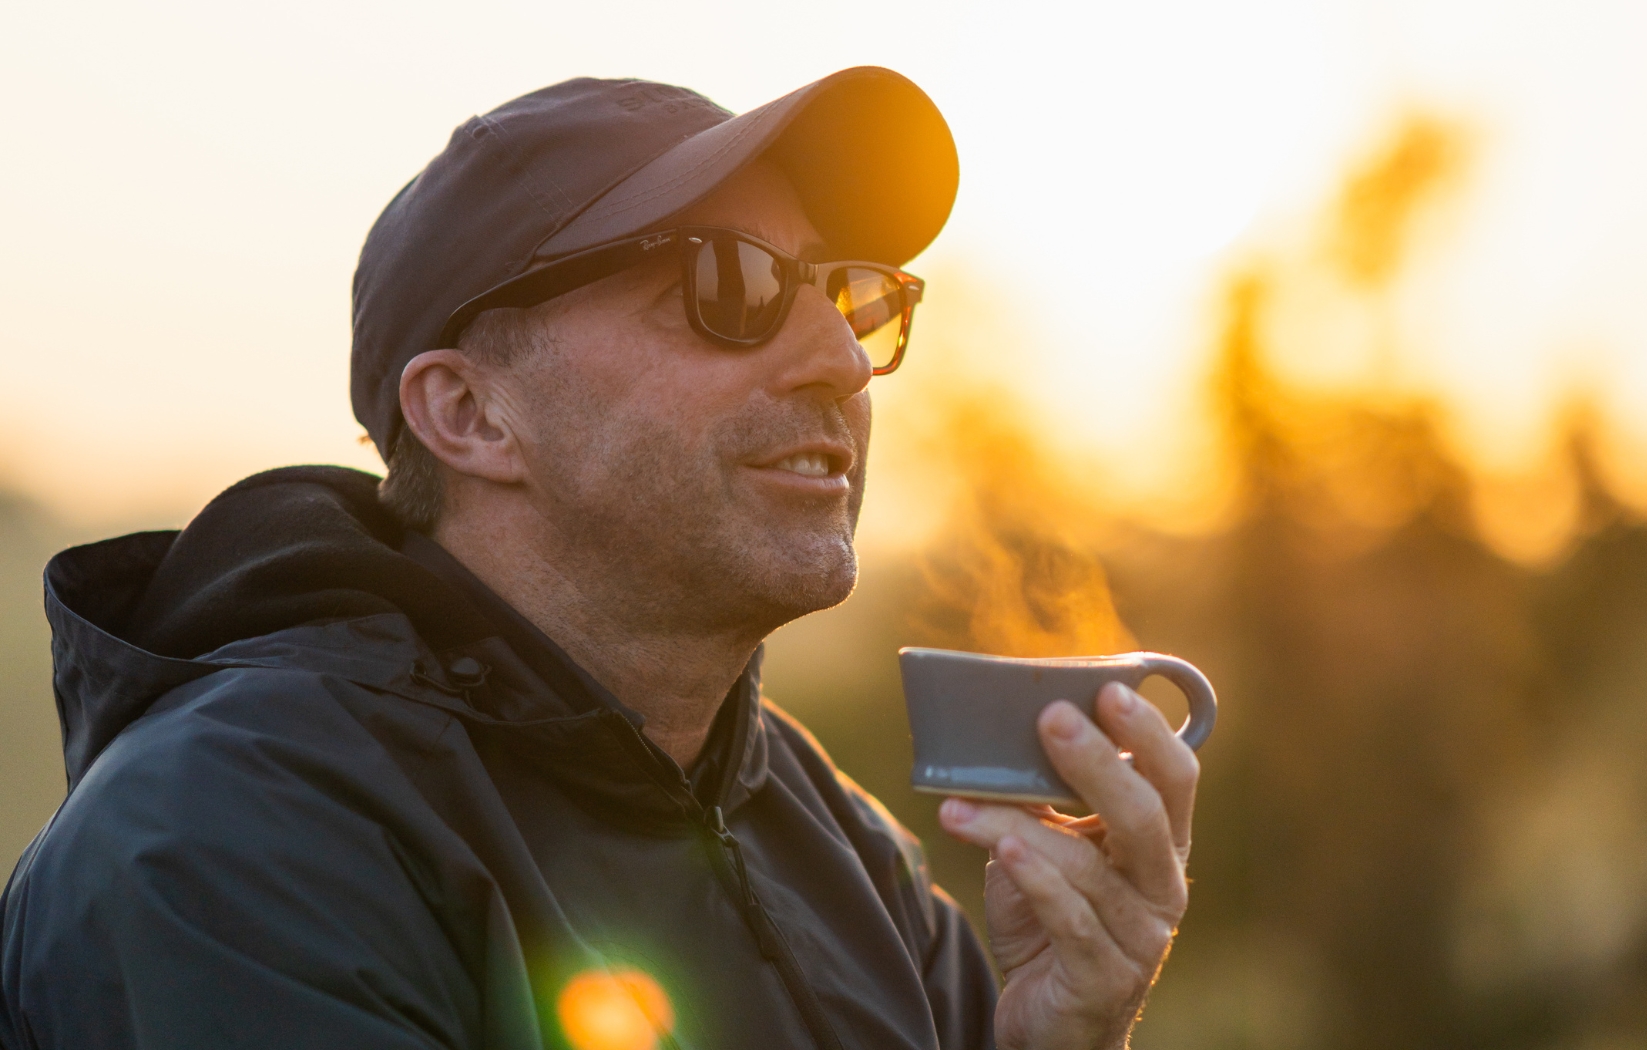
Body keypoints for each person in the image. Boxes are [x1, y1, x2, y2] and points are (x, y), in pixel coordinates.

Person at [0, 67, 1199, 1050]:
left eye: (853, 295)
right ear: (470, 415)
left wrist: (1059, 1041)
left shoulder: (841, 841)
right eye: (731, 286)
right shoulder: (229, 845)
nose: (838, 356)